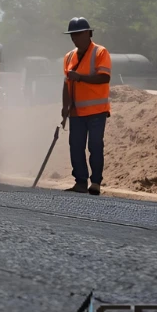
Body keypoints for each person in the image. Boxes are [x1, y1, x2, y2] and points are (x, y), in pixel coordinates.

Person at [61, 17, 111, 195]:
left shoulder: (100, 52)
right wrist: (65, 107)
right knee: (76, 146)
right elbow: (66, 84)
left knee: (95, 145)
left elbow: (104, 77)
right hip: (76, 112)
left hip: (97, 111)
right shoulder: (68, 57)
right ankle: (80, 182)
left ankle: (96, 182)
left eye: (79, 34)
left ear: (89, 34)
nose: (75, 38)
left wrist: (80, 77)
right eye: (72, 35)